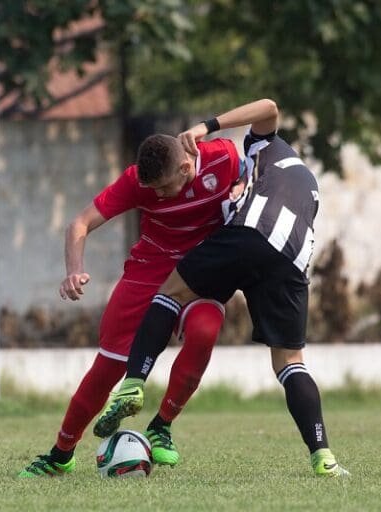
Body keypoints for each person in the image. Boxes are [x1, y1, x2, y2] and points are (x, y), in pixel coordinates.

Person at [93, 99, 350, 477]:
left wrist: (205, 126)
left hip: (251, 235)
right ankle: (323, 456)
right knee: (290, 363)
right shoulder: (303, 181)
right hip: (291, 263)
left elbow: (268, 106)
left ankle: (134, 382)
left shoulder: (266, 146)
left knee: (171, 292)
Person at [18, 117, 254, 477]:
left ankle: (161, 427)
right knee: (108, 367)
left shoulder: (222, 157)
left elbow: (251, 171)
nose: (156, 196)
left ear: (187, 167)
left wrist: (241, 186)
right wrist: (73, 271)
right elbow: (79, 224)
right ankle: (60, 453)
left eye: (163, 187)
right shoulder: (136, 181)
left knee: (204, 333)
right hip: (149, 270)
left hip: (201, 270)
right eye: (152, 189)